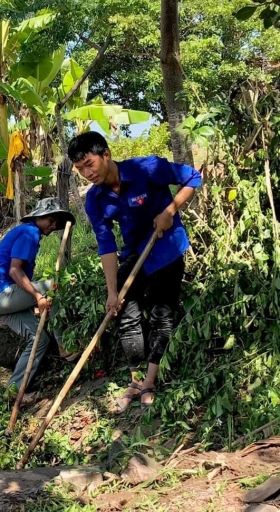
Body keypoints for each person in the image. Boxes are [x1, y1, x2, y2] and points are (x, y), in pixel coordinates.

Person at [68, 130, 202, 411]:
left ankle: (150, 381)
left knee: (161, 315)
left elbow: (193, 177)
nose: (87, 173)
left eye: (90, 164)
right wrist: (112, 292)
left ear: (106, 155)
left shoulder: (147, 168)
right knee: (124, 314)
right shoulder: (96, 199)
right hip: (135, 254)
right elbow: (106, 245)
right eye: (80, 169)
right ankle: (135, 379)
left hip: (167, 248)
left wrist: (170, 210)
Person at [0, 198, 78, 393]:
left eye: (56, 223)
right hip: (1, 292)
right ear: (39, 217)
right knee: (54, 287)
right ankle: (64, 345)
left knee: (39, 339)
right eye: (51, 220)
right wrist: (37, 296)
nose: (53, 225)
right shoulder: (29, 232)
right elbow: (15, 271)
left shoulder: (25, 232)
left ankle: (14, 391)